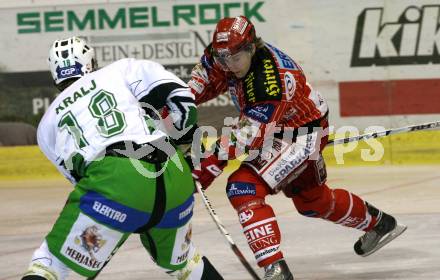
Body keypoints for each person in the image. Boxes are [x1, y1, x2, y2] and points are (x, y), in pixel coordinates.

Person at [190, 16, 407, 280]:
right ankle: (382, 224)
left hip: (301, 133)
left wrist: (212, 161)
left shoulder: (268, 81)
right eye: (222, 58)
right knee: (312, 201)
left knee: (243, 187)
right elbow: (201, 81)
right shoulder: (225, 55)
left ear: (251, 48)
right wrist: (176, 105)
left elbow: (248, 136)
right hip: (282, 125)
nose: (228, 65)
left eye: (234, 58)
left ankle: (275, 268)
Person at [22, 36, 223, 280]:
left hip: (117, 183)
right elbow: (180, 98)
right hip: (174, 173)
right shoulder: (119, 70)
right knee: (186, 263)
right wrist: (188, 144)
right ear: (90, 61)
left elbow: (80, 179)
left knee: (49, 264)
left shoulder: (46, 126)